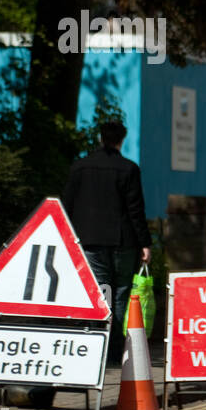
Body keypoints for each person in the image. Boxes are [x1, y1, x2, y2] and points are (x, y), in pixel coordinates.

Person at [63, 120, 151, 364]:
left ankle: (96, 347)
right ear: (121, 140)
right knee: (121, 294)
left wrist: (68, 237)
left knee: (102, 292)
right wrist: (145, 243)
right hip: (123, 241)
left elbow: (67, 204)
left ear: (101, 138)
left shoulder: (80, 167)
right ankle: (116, 351)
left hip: (90, 240)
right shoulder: (129, 168)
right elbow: (136, 210)